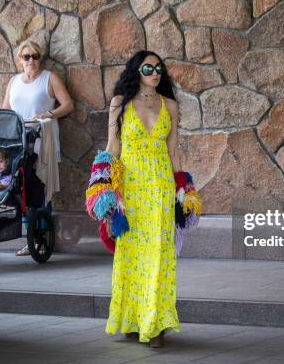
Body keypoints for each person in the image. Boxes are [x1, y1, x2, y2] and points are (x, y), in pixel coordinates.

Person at [104, 51, 182, 348]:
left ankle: (156, 323)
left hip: (161, 186)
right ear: (136, 71)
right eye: (148, 67)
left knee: (161, 254)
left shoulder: (171, 105)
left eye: (158, 67)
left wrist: (182, 189)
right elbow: (112, 147)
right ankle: (132, 320)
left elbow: (174, 150)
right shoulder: (119, 104)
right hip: (132, 189)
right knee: (132, 254)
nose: (155, 71)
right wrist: (106, 189)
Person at [2, 40, 74, 256]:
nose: (31, 60)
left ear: (40, 58)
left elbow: (68, 104)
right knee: (21, 189)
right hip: (19, 142)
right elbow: (6, 109)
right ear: (19, 59)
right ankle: (31, 238)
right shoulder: (14, 82)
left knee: (42, 188)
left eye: (35, 56)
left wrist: (48, 115)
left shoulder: (49, 79)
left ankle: (43, 238)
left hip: (43, 141)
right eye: (26, 57)